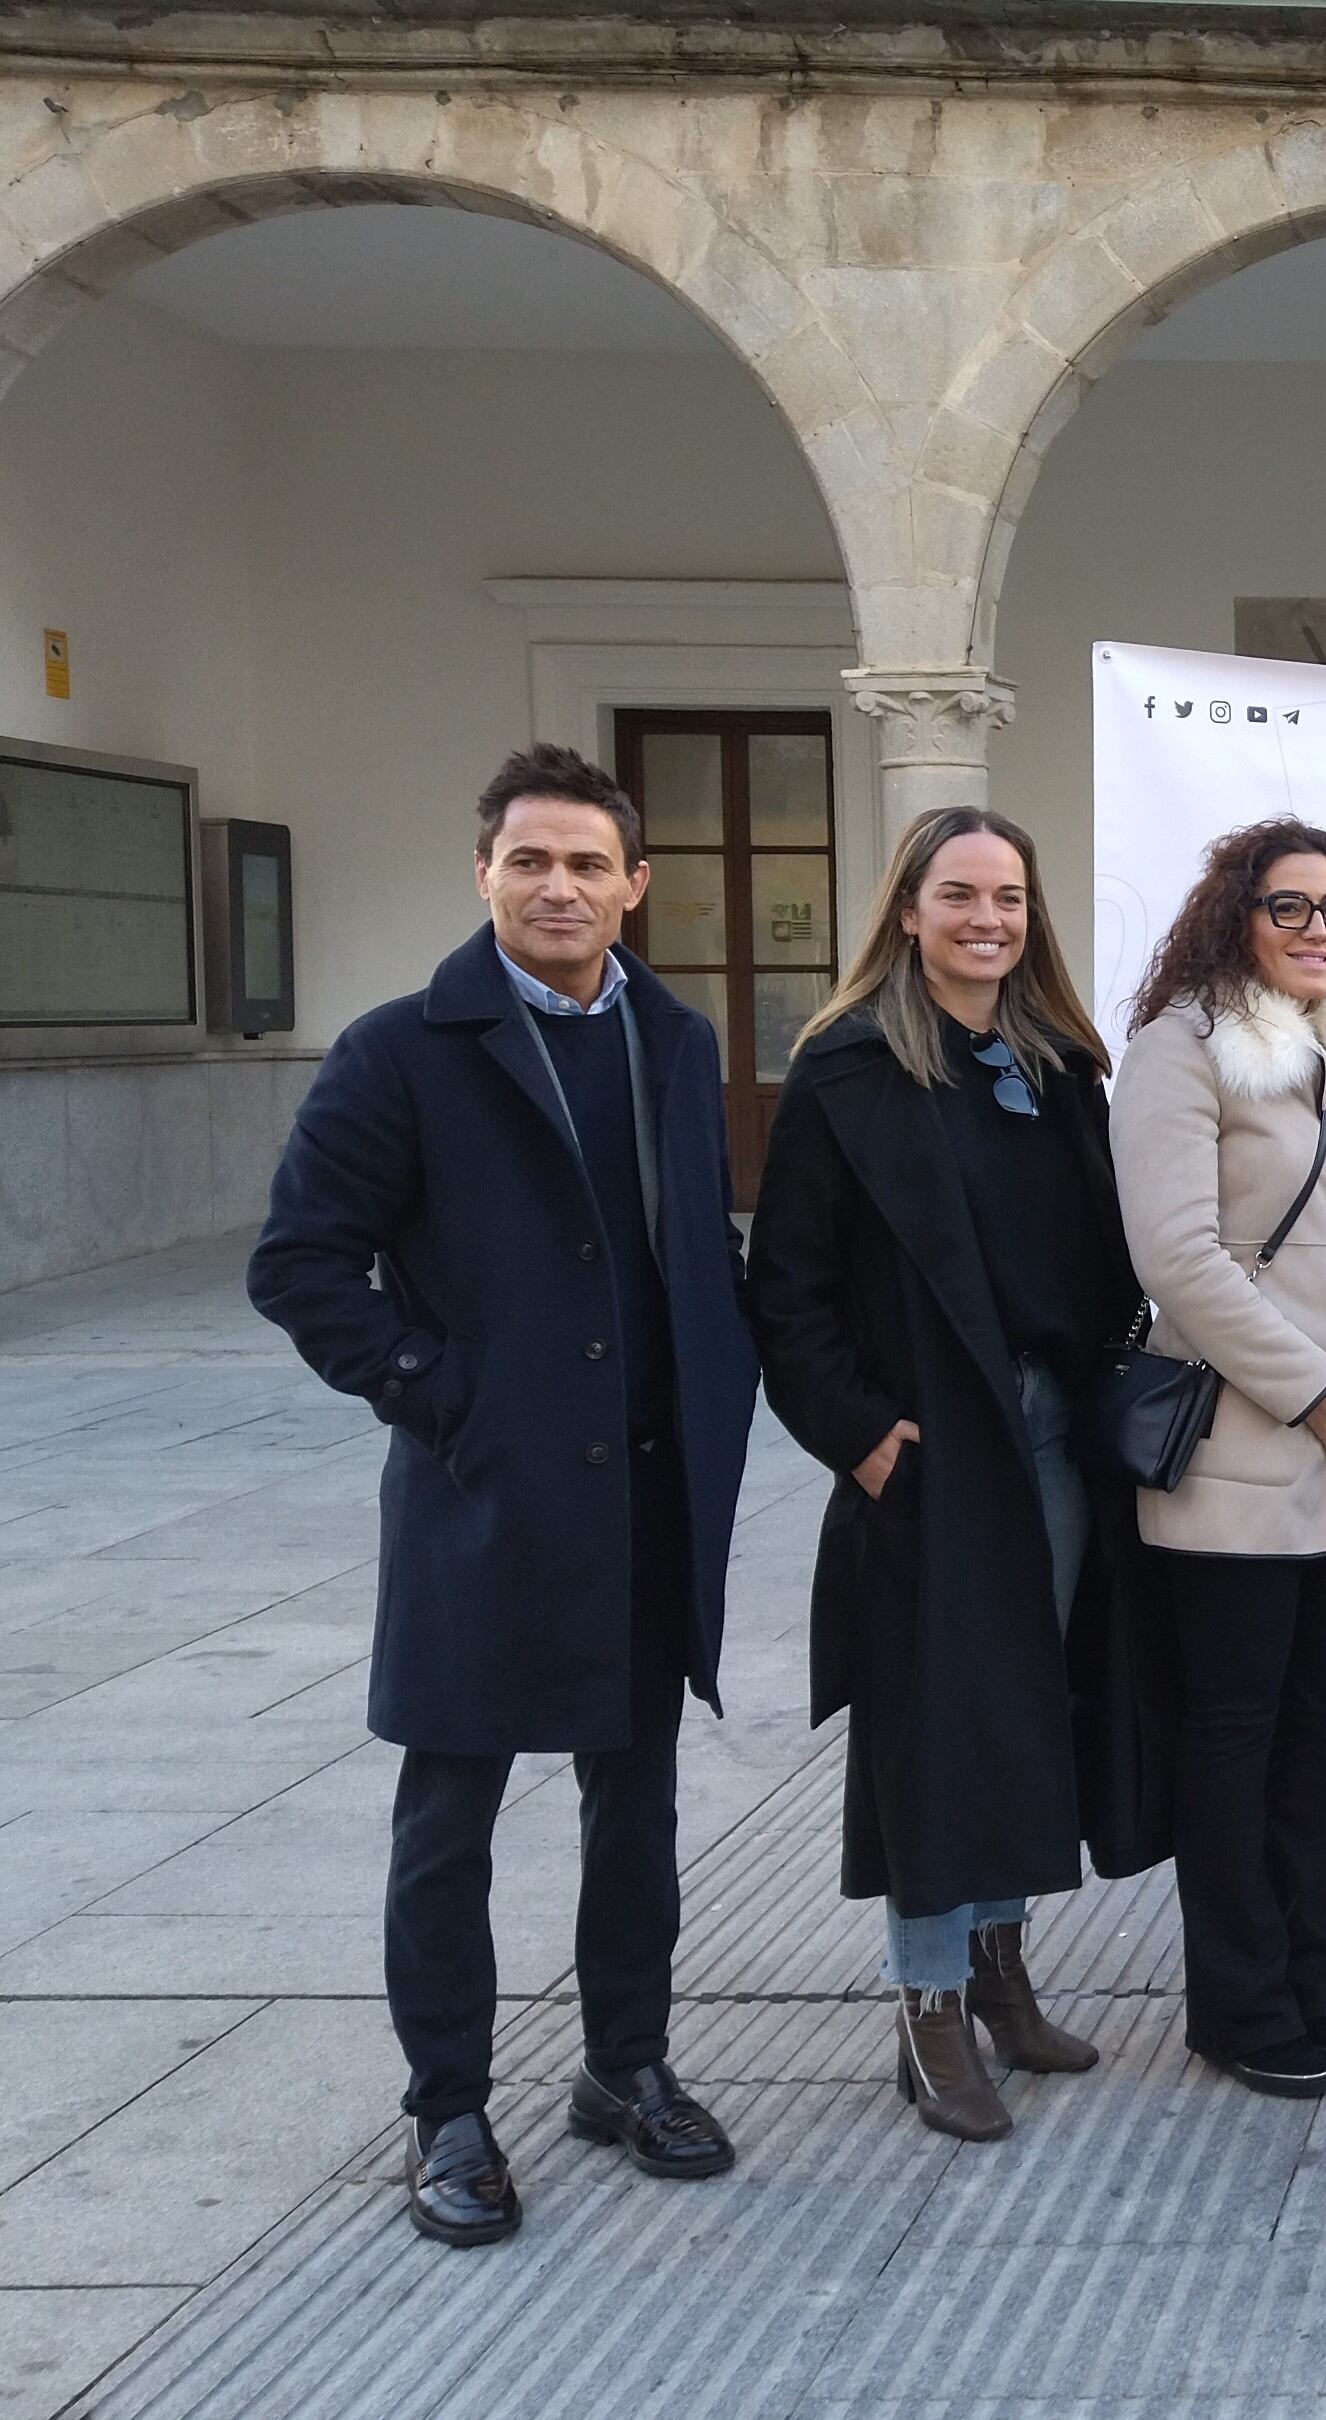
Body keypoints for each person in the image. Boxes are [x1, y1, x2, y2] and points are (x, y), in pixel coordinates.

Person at [247, 744, 755, 2247]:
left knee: (636, 1808)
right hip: (484, 1498)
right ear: (484, 874)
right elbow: (299, 1263)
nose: (559, 886)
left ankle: (626, 2064)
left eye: (588, 864)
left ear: (633, 886)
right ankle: (449, 2106)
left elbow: (681, 1245)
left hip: (643, 1496)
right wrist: (439, 1392)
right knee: (448, 1816)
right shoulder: (401, 1049)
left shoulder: (669, 1039)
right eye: (531, 860)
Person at [747, 806, 1134, 2142]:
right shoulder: (845, 1073)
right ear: (906, 911)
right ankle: (925, 2012)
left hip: (1055, 1438)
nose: (987, 919)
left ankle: (1000, 1974)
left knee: (1025, 1709)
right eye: (959, 894)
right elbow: (784, 1293)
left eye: (1009, 897)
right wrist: (858, 1436)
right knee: (929, 1727)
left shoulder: (1059, 1069)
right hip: (929, 1448)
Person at [1110, 819, 1326, 2099]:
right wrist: (1313, 1387)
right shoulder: (1177, 1053)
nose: (1319, 931)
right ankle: (1237, 2002)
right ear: (1233, 916)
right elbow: (1175, 1259)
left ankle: (1314, 1973)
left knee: (1314, 1736)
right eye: (1288, 908)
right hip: (1241, 1469)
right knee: (1234, 1739)